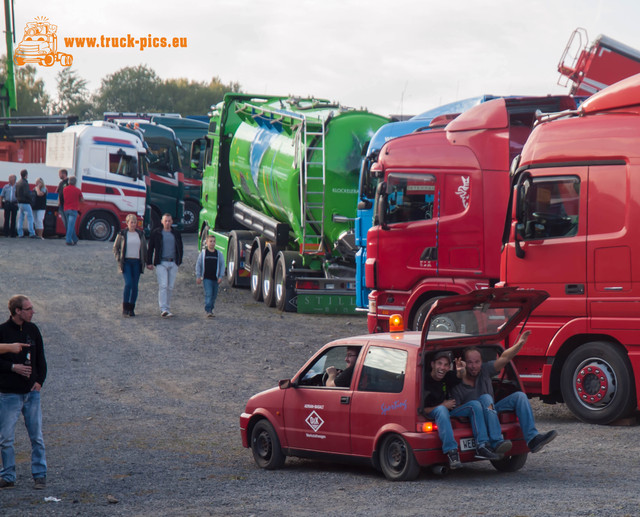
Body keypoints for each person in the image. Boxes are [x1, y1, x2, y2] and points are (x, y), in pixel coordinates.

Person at [453, 331, 557, 455]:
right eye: (470, 362)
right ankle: (496, 442)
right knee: (485, 398)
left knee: (520, 396)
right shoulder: (456, 381)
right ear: (463, 362)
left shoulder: (485, 370)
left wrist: (520, 343)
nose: (474, 366)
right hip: (473, 416)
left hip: (490, 410)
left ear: (482, 362)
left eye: (477, 362)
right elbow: (457, 403)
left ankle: (533, 439)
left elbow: (505, 357)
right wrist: (460, 371)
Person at [422, 350, 501, 470]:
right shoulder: (423, 381)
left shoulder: (447, 376)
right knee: (441, 410)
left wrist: (461, 370)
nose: (442, 368)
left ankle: (482, 446)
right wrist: (443, 405)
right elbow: (422, 410)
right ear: (432, 364)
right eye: (439, 363)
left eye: (446, 365)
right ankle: (452, 452)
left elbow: (459, 376)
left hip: (451, 411)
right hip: (435, 412)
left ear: (449, 367)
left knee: (475, 404)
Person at [0, 295, 47, 490]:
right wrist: (13, 367)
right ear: (17, 311)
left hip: (31, 394)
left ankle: (40, 474)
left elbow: (41, 358)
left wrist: (39, 382)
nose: (32, 312)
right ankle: (8, 475)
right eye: (28, 309)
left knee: (36, 436)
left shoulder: (33, 329)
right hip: (9, 394)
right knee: (6, 438)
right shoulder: (2, 332)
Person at [146, 213, 183, 318]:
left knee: (170, 286)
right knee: (163, 285)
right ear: (162, 221)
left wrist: (179, 261)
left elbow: (180, 247)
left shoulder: (176, 233)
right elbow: (150, 248)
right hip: (161, 262)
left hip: (173, 262)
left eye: (169, 221)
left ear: (172, 222)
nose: (167, 223)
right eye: (165, 221)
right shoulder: (156, 233)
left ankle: (167, 306)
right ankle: (163, 309)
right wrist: (149, 262)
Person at [113, 214, 147, 317]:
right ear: (127, 223)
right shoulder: (122, 234)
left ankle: (131, 308)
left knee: (135, 286)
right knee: (128, 283)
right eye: (131, 222)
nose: (133, 224)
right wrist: (119, 259)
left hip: (137, 262)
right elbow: (116, 247)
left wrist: (146, 261)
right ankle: (125, 307)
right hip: (126, 262)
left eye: (134, 222)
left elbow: (144, 249)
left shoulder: (140, 234)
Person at [195, 234, 225, 317]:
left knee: (214, 295)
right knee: (209, 293)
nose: (212, 243)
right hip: (206, 278)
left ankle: (211, 308)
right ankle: (208, 310)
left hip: (215, 278)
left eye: (214, 241)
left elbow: (222, 265)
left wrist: (220, 276)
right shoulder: (203, 254)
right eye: (210, 241)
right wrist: (198, 276)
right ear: (207, 243)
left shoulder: (219, 254)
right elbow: (199, 264)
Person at [63, 176, 83, 246]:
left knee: (70, 225)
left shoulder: (65, 189)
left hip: (66, 209)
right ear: (75, 182)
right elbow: (81, 199)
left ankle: (75, 239)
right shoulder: (78, 190)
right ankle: (68, 240)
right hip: (74, 209)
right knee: (71, 226)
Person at [15, 169, 35, 239]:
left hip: (20, 203)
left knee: (20, 218)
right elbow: (27, 193)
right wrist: (31, 199)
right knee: (30, 218)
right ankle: (31, 233)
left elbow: (16, 193)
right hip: (25, 202)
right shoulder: (25, 183)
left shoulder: (18, 183)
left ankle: (20, 233)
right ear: (26, 175)